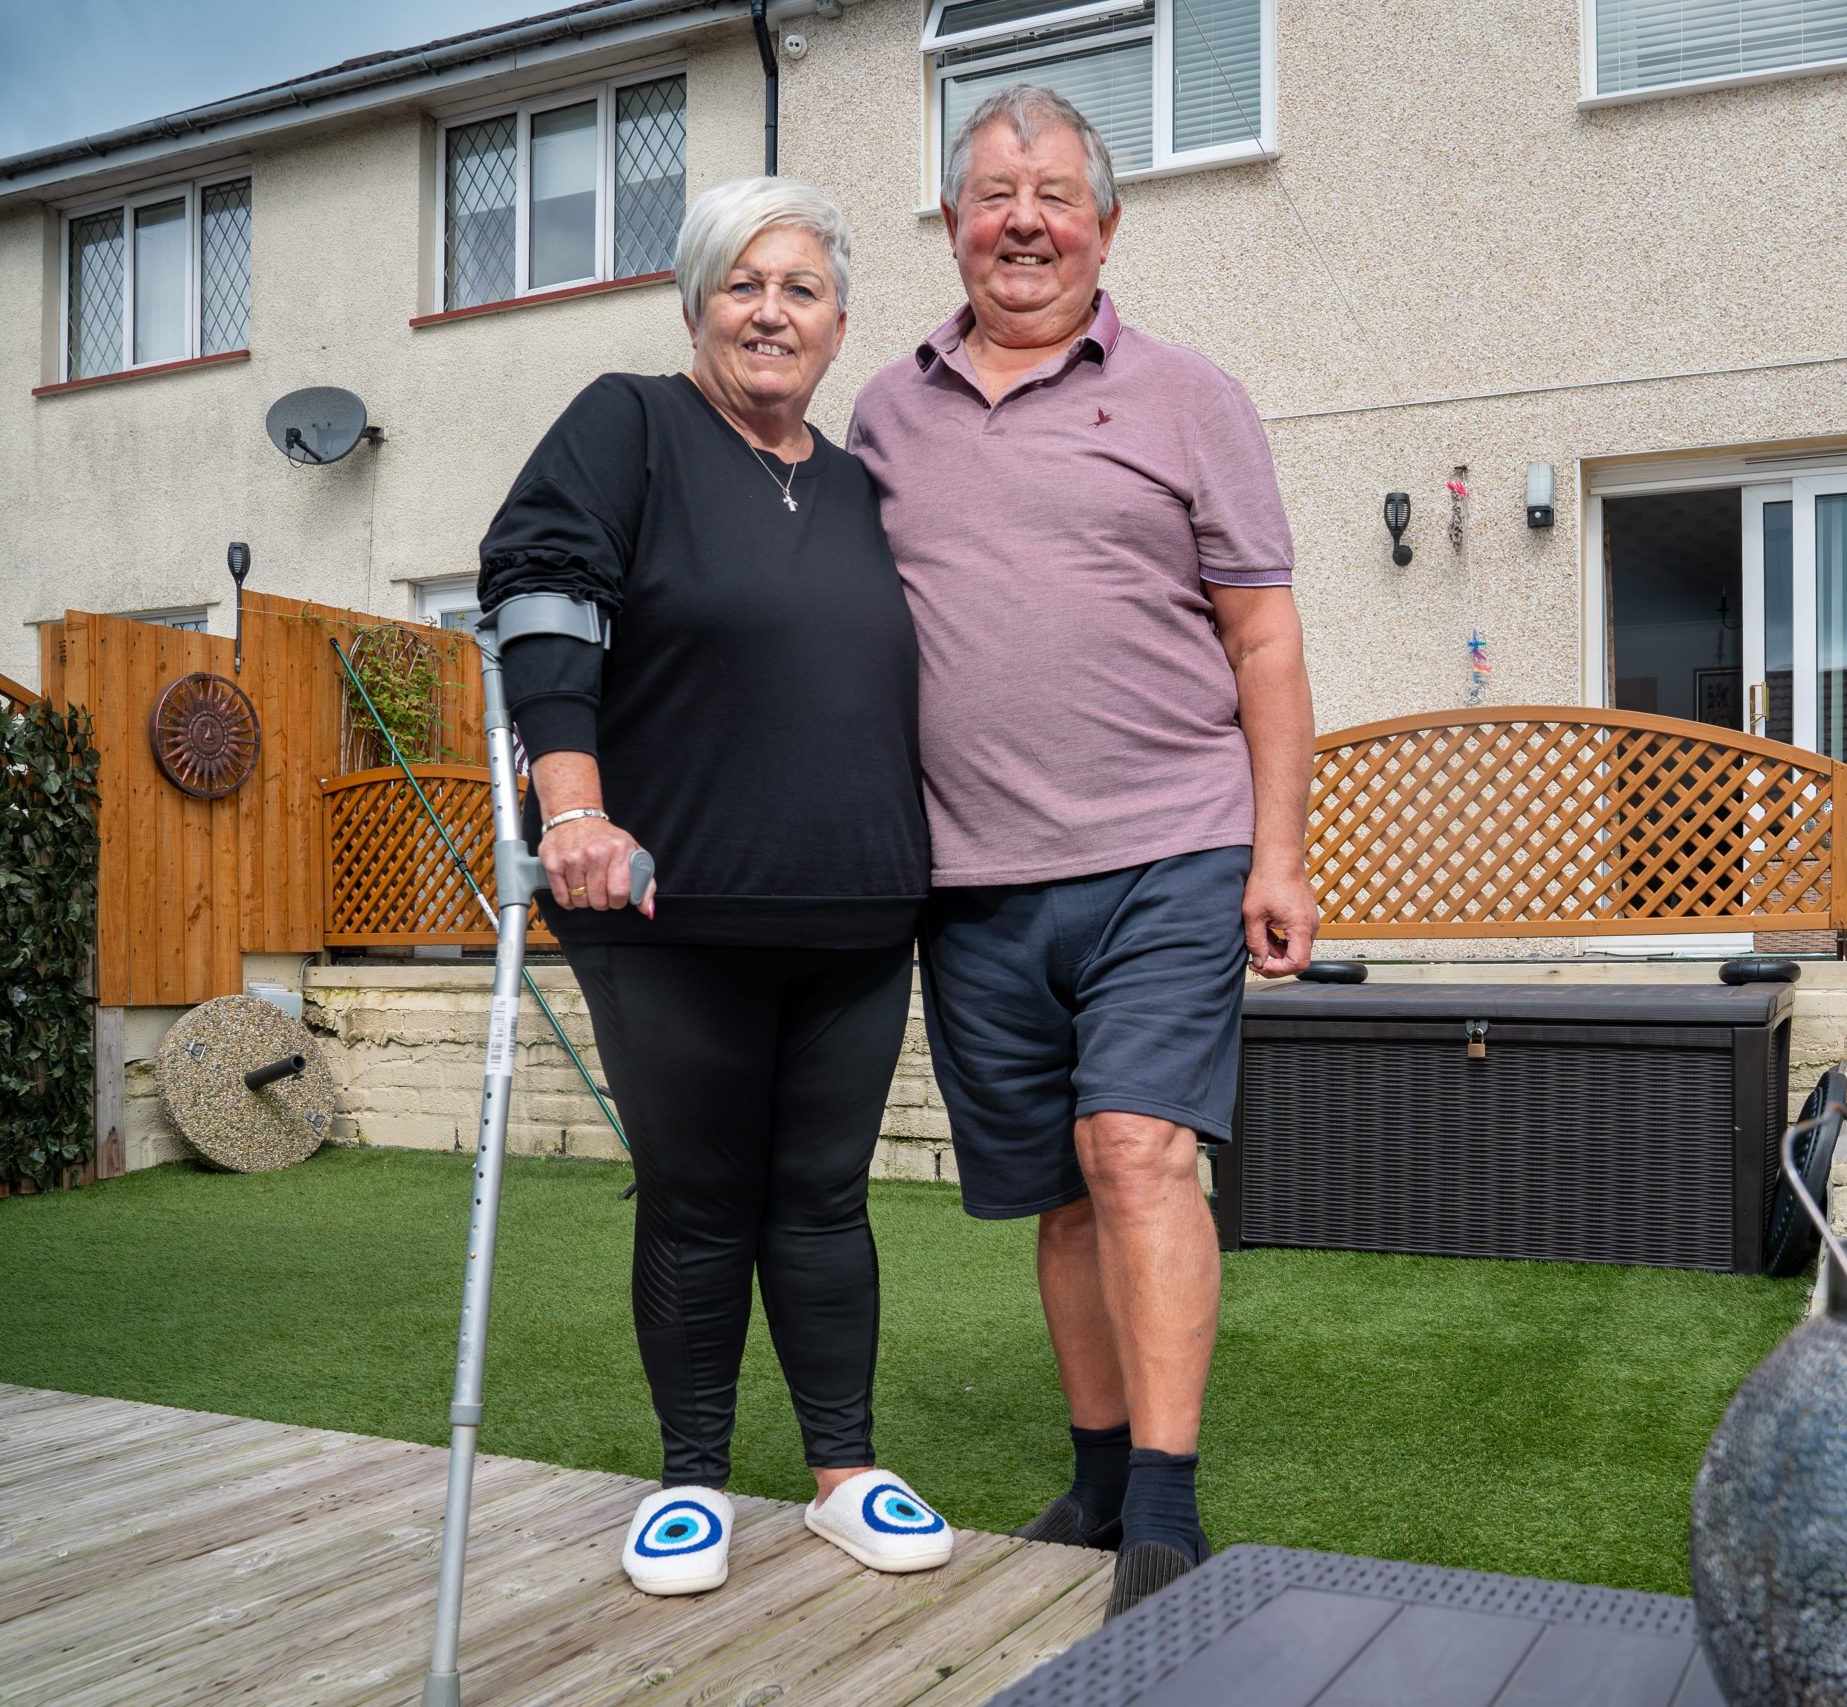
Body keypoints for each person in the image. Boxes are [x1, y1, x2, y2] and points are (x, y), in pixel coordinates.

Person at [848, 86, 1318, 1619]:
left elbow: (1264, 641)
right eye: (994, 193)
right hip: (971, 882)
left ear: (1106, 225)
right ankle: (1099, 1475)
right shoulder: (885, 417)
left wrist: (1280, 854)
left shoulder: (1193, 398)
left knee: (1139, 1155)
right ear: (955, 223)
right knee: (1060, 1192)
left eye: (1054, 192)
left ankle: (1165, 1511)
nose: (1025, 219)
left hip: (1168, 851)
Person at [475, 177, 952, 1596]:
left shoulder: (863, 482)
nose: (770, 312)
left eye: (800, 289)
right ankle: (690, 1480)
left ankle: (844, 1474)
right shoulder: (630, 424)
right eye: (741, 283)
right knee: (698, 1200)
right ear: (695, 304)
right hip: (671, 906)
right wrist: (575, 806)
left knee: (823, 1197)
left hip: (859, 913)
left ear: (839, 322)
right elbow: (541, 588)